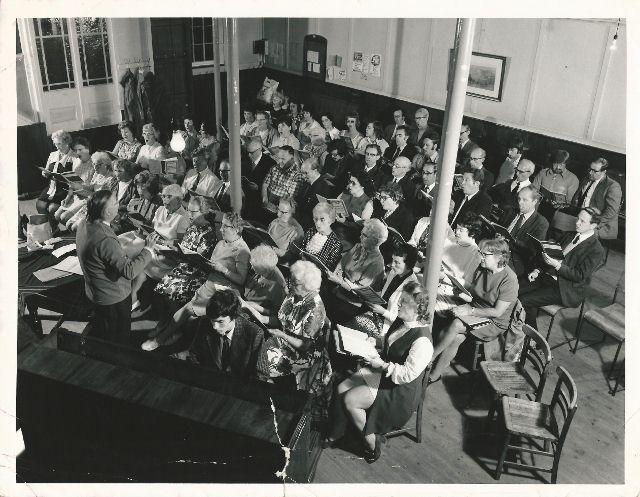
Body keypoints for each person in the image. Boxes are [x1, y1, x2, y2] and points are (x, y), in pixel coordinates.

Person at [325, 280, 433, 463]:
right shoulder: (403, 321)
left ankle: (372, 445)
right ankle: (338, 432)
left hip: (399, 390)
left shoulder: (423, 341)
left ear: (416, 308)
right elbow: (391, 342)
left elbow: (405, 375)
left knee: (351, 400)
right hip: (385, 373)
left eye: (403, 302)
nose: (398, 304)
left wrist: (380, 364)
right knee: (342, 387)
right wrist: (374, 342)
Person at [141, 212, 250, 351]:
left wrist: (223, 270)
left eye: (226, 226)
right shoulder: (222, 243)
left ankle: (159, 340)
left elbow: (241, 280)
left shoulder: (242, 251)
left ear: (236, 230)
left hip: (224, 291)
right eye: (221, 225)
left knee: (186, 310)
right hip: (210, 282)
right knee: (178, 298)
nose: (221, 229)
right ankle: (169, 333)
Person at [429, 238, 519, 383]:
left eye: (485, 254)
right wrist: (460, 292)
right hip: (477, 309)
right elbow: (475, 291)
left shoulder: (509, 280)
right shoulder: (482, 268)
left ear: (500, 257)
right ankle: (434, 376)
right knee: (455, 338)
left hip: (494, 321)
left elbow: (497, 312)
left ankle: (429, 357)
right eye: (480, 253)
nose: (480, 257)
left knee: (457, 325)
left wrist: (469, 311)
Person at [76, 190, 156, 344]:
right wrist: (148, 250)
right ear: (106, 212)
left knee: (105, 333)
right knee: (119, 338)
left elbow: (105, 254)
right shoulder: (105, 238)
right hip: (113, 298)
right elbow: (129, 271)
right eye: (115, 203)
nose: (118, 205)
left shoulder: (85, 223)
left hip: (95, 292)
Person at [519, 207, 605, 329]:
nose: (577, 223)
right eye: (578, 218)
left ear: (593, 225)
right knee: (512, 289)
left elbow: (579, 275)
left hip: (566, 288)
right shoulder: (569, 235)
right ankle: (523, 334)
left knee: (524, 300)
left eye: (582, 221)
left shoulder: (596, 250)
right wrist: (537, 270)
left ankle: (531, 338)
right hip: (547, 277)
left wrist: (557, 265)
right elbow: (552, 254)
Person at [256, 260, 331, 391]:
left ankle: (263, 388)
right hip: (282, 337)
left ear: (307, 286)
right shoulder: (295, 293)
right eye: (291, 281)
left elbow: (305, 346)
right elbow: (282, 319)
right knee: (253, 344)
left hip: (299, 352)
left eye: (294, 283)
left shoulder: (315, 310)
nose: (290, 285)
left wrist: (282, 335)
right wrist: (261, 315)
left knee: (261, 359)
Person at [130, 183, 189, 314]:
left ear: (179, 200)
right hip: (153, 246)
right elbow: (152, 228)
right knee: (135, 254)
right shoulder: (160, 209)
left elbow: (181, 242)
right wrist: (143, 229)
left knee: (139, 258)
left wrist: (164, 241)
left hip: (167, 253)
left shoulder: (183, 217)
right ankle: (132, 298)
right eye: (163, 196)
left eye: (169, 197)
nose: (165, 200)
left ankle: (133, 299)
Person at [154, 195, 218, 307]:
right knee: (163, 289)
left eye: (193, 212)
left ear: (205, 213)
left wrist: (180, 253)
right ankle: (170, 316)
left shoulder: (208, 234)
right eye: (188, 210)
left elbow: (200, 260)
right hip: (184, 266)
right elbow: (184, 247)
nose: (189, 215)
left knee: (173, 292)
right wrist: (172, 249)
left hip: (197, 272)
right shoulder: (192, 227)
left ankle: (174, 319)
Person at [184, 289, 264, 378]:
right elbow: (194, 355)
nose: (215, 326)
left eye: (220, 322)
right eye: (212, 321)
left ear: (234, 316)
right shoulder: (205, 322)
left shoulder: (255, 333)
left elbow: (260, 375)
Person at [346, 244, 420, 340]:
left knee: (353, 326)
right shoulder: (394, 272)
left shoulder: (412, 287)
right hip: (375, 313)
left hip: (385, 326)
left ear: (408, 265)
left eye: (397, 262)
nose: (392, 264)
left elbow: (404, 322)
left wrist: (383, 311)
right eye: (393, 260)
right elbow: (384, 295)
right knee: (350, 323)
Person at [567, 158, 622, 240]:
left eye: (594, 171)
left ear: (604, 172)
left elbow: (611, 211)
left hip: (601, 226)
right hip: (581, 219)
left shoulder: (612, 186)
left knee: (580, 239)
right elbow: (577, 198)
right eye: (589, 169)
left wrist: (593, 224)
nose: (590, 172)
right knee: (560, 224)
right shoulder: (586, 179)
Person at [63, 152, 118, 231]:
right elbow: (92, 187)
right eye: (94, 164)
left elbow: (103, 199)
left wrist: (84, 193)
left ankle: (85, 240)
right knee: (69, 223)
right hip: (90, 202)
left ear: (106, 164)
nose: (95, 168)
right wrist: (78, 186)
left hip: (99, 208)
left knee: (74, 227)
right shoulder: (98, 174)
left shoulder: (112, 179)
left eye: (98, 165)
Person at [503, 186, 549, 277]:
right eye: (519, 199)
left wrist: (511, 241)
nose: (520, 202)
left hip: (516, 259)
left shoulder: (541, 222)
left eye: (525, 200)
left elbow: (532, 250)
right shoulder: (511, 211)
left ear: (534, 202)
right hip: (498, 248)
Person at [241, 244, 288, 325]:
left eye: (254, 266)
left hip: (255, 314)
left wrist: (259, 308)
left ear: (264, 270)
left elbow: (278, 314)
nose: (252, 267)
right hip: (244, 301)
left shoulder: (277, 286)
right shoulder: (262, 267)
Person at [36, 129, 78, 216]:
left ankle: (54, 227)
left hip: (64, 190)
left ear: (67, 142)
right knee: (40, 205)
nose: (57, 147)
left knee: (52, 208)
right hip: (51, 187)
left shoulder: (74, 157)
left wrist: (68, 197)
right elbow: (46, 171)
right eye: (55, 144)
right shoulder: (52, 155)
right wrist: (45, 173)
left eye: (59, 144)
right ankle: (53, 228)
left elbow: (74, 181)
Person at [532, 149, 579, 215]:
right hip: (537, 208)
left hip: (558, 214)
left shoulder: (573, 179)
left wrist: (561, 205)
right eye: (556, 163)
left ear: (566, 164)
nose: (558, 167)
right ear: (552, 162)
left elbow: (570, 202)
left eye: (562, 164)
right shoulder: (542, 173)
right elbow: (532, 190)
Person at [299, 202, 344, 271]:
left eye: (322, 219)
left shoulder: (335, 244)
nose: (317, 223)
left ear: (331, 220)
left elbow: (329, 270)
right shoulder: (311, 232)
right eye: (315, 219)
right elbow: (301, 250)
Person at [489, 158, 536, 223]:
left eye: (521, 172)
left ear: (530, 173)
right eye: (516, 170)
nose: (517, 174)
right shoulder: (508, 182)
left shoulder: (531, 191)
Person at [261, 145, 305, 214]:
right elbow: (265, 184)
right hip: (268, 199)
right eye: (279, 158)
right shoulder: (274, 168)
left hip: (281, 206)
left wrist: (278, 209)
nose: (279, 162)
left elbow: (290, 198)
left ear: (292, 158)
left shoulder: (297, 174)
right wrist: (265, 199)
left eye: (283, 159)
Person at [295, 157, 334, 228]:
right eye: (302, 173)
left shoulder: (323, 187)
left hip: (309, 223)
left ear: (315, 170)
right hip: (299, 217)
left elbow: (318, 213)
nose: (303, 176)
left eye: (306, 173)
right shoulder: (307, 181)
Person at [267, 196, 305, 260]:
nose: (278, 214)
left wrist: (274, 250)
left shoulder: (297, 231)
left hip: (280, 264)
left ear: (292, 212)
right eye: (278, 210)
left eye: (283, 212)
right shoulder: (275, 222)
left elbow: (292, 256)